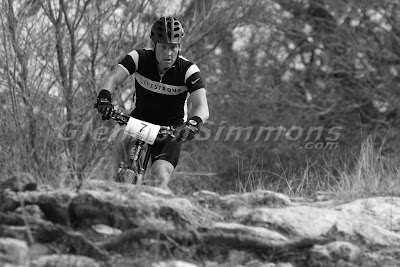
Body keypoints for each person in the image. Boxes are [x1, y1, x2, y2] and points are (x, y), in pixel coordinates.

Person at [94, 16, 209, 192]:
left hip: (170, 130)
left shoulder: (188, 70)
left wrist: (192, 124)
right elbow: (112, 78)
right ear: (154, 45)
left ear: (179, 46)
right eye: (163, 47)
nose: (169, 53)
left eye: (173, 47)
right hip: (139, 122)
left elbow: (202, 106)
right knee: (121, 140)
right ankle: (117, 184)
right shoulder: (139, 58)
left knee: (159, 176)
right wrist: (104, 98)